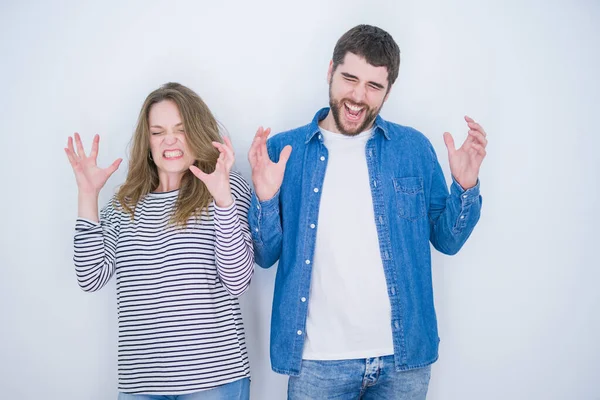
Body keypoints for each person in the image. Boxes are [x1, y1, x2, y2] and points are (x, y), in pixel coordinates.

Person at [248, 24, 487, 399]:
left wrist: (466, 187)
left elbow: (447, 241)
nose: (358, 96)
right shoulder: (285, 150)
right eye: (349, 78)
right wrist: (263, 198)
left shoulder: (412, 148)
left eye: (374, 86)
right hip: (316, 363)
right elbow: (263, 257)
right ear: (330, 71)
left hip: (402, 360)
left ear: (388, 90)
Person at [65, 82, 253, 399]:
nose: (170, 140)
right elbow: (91, 277)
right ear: (147, 141)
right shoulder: (124, 203)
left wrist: (222, 200)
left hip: (214, 380)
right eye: (158, 131)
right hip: (141, 384)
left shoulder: (223, 185)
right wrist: (87, 195)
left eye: (181, 129)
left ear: (197, 132)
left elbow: (237, 281)